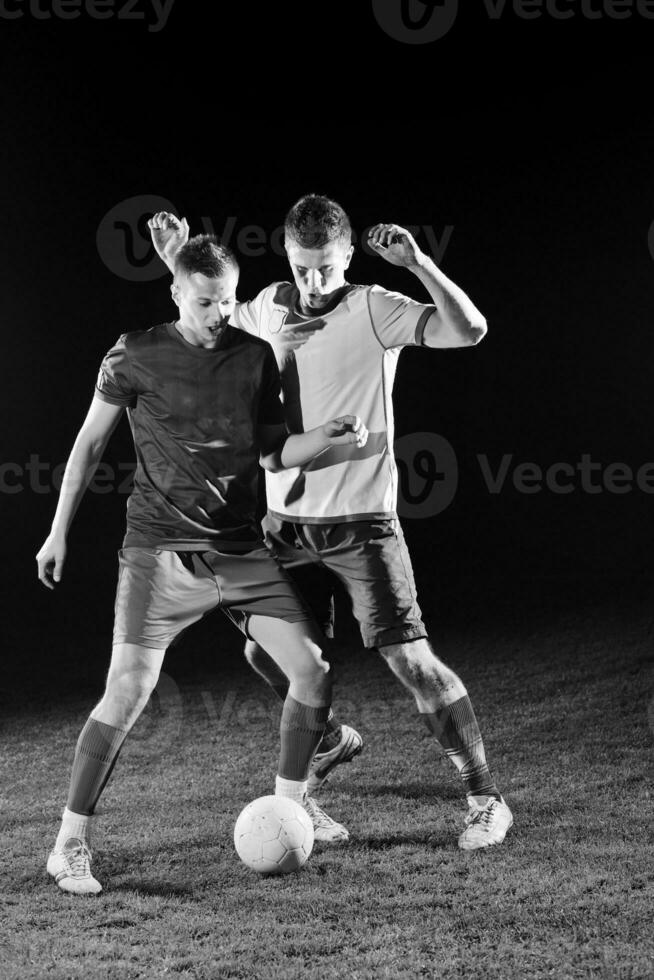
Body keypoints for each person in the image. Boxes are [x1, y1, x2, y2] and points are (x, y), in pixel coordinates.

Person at [151, 198, 513, 851]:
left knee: (410, 660)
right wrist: (176, 262)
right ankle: (329, 743)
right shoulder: (266, 306)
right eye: (302, 268)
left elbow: (471, 331)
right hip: (286, 524)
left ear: (345, 257)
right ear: (287, 258)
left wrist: (421, 263)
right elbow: (205, 330)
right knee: (268, 654)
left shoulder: (373, 306)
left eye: (325, 268)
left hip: (362, 524)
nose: (315, 283)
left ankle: (485, 798)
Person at [36, 234, 370, 895]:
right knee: (128, 690)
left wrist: (326, 442)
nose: (218, 314)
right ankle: (69, 844)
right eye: (204, 302)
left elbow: (275, 454)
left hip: (239, 551)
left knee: (310, 669)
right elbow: (87, 447)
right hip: (159, 553)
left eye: (226, 301)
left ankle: (292, 800)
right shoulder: (134, 354)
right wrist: (56, 533)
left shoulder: (253, 358)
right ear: (175, 293)